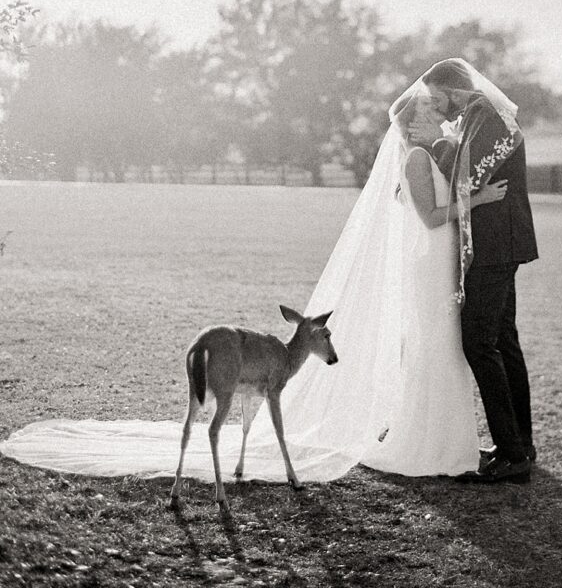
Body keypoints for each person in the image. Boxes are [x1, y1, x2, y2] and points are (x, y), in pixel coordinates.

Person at [0, 61, 533, 487]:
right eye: (431, 109)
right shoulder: (421, 156)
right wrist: (476, 198)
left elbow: (445, 183)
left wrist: (464, 186)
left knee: (475, 345)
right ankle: (469, 444)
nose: (441, 114)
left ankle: (504, 447)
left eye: (441, 105)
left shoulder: (443, 146)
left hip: (451, 266)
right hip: (440, 266)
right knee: (453, 348)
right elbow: (434, 211)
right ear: (414, 120)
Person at [408, 58, 538, 484]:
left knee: (480, 343)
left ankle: (514, 452)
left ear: (453, 89)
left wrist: (434, 144)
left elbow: (468, 178)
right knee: (502, 340)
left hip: (497, 243)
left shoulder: (491, 118)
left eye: (436, 96)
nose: (433, 104)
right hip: (495, 243)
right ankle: (517, 447)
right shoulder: (474, 118)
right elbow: (469, 180)